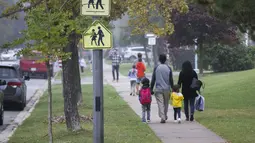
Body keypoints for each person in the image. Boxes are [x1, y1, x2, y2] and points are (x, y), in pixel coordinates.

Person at [150, 54, 173, 123]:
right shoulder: (169, 68)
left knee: (160, 103)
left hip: (158, 88)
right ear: (165, 59)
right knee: (166, 103)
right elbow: (171, 79)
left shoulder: (156, 68)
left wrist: (151, 88)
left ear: (159, 59)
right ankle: (164, 115)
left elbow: (153, 79)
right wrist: (173, 88)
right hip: (167, 89)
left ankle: (162, 117)